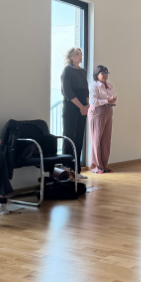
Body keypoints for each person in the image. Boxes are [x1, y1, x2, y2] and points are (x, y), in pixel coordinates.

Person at [61, 47, 89, 181]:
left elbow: (86, 90)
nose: (80, 56)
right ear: (71, 57)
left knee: (79, 139)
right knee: (69, 138)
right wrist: (81, 106)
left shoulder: (83, 72)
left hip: (82, 109)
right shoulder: (67, 70)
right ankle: (67, 170)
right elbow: (68, 92)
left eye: (81, 54)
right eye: (77, 54)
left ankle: (76, 171)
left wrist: (87, 105)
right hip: (71, 109)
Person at [88, 65, 117, 174]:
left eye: (106, 73)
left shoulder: (110, 85)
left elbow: (113, 99)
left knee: (106, 140)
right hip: (97, 113)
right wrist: (107, 100)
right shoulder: (94, 85)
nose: (105, 75)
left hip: (108, 111)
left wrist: (111, 100)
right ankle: (96, 166)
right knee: (96, 140)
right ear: (97, 75)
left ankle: (104, 166)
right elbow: (93, 101)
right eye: (102, 73)